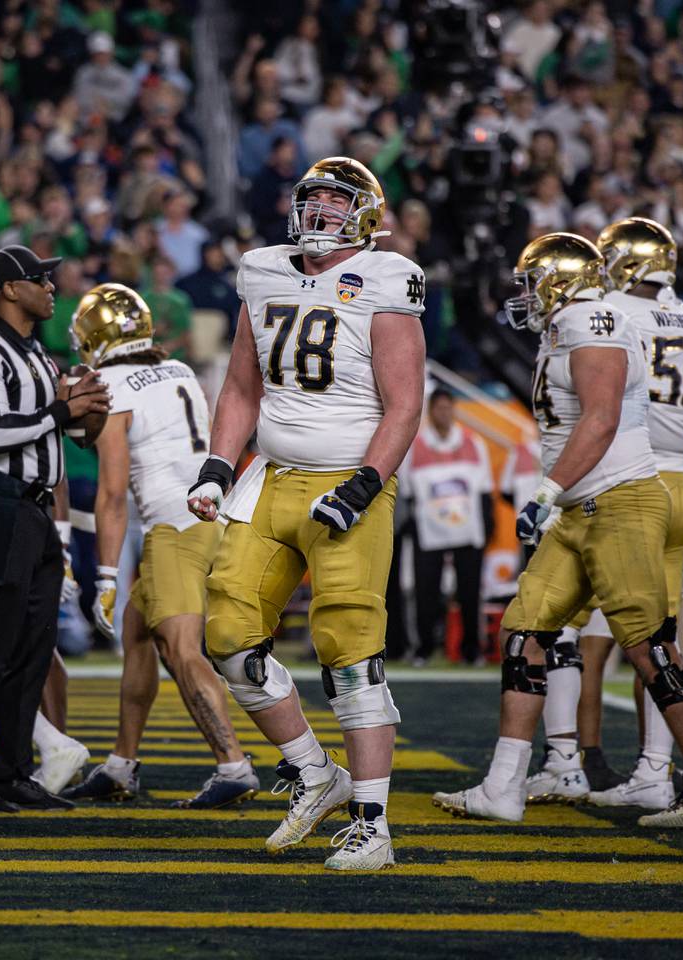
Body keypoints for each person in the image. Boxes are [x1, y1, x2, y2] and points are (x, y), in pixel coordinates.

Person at [431, 232, 683, 830]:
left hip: (618, 502)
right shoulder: (572, 321)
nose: (524, 295)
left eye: (531, 281)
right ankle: (505, 784)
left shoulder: (593, 321)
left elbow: (600, 418)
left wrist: (545, 492)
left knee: (652, 649)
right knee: (525, 630)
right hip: (581, 509)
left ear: (559, 279)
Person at [185, 157, 426, 871]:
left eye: (335, 199)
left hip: (350, 481)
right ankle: (314, 772)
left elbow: (405, 402)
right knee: (226, 633)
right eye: (312, 196)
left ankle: (372, 823)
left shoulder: (388, 276)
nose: (320, 209)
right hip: (274, 477)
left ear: (365, 213)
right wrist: (217, 465)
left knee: (350, 648)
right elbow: (239, 385)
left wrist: (364, 484)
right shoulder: (261, 270)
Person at [66, 282, 259, 808]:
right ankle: (122, 763)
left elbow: (111, 493)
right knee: (137, 633)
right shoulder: (176, 370)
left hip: (173, 528)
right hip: (210, 515)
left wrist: (104, 576)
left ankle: (233, 766)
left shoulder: (108, 383)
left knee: (180, 647)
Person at [560, 217, 683, 811]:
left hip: (627, 479)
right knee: (661, 638)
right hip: (681, 480)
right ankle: (655, 767)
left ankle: (564, 760)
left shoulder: (611, 310)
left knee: (558, 628)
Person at [0, 244, 109, 812]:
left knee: (34, 646)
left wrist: (91, 415)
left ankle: (11, 771)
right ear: (9, 289)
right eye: (39, 278)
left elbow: (61, 434)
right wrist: (65, 411)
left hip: (37, 509)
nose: (51, 286)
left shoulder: (40, 357)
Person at [398, 388, 494, 665]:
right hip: (428, 532)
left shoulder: (473, 442)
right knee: (425, 590)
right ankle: (423, 649)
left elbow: (485, 489)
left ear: (454, 410)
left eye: (448, 408)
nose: (444, 413)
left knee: (470, 591)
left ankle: (472, 650)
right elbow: (407, 491)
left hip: (468, 531)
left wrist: (485, 528)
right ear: (431, 411)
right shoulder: (415, 446)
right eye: (439, 408)